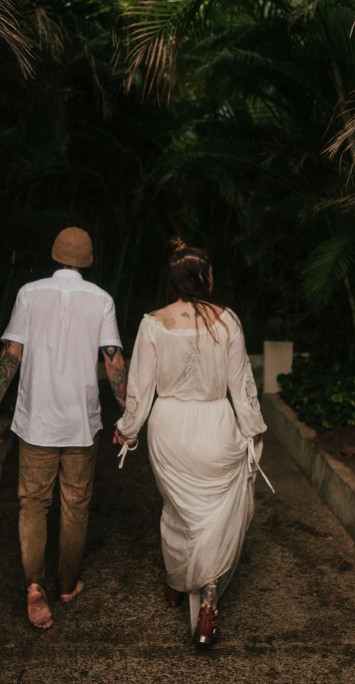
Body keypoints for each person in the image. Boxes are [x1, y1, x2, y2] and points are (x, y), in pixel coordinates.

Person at [113, 237, 266, 647]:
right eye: (210, 270)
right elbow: (242, 384)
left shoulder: (152, 323)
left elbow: (140, 390)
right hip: (214, 424)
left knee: (179, 510)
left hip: (169, 428)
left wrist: (128, 429)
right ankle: (208, 603)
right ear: (202, 276)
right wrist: (253, 429)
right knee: (213, 516)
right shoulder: (228, 321)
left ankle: (177, 583)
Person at [0, 226, 128, 630]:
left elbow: (12, 354)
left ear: (55, 256)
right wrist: (129, 414)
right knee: (75, 506)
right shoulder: (102, 300)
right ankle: (66, 584)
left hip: (36, 419)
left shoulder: (29, 293)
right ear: (88, 261)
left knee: (33, 504)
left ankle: (34, 585)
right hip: (80, 423)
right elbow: (113, 362)